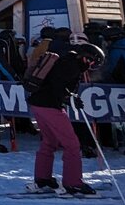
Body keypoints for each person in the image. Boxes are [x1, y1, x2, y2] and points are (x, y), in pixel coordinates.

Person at [26, 40, 104, 196]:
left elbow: (57, 84)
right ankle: (73, 182)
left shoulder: (67, 61)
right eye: (93, 63)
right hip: (50, 106)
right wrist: (69, 98)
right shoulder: (71, 66)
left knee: (50, 141)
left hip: (38, 103)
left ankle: (43, 178)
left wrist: (70, 97)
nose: (91, 67)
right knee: (72, 145)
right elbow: (58, 85)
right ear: (86, 58)